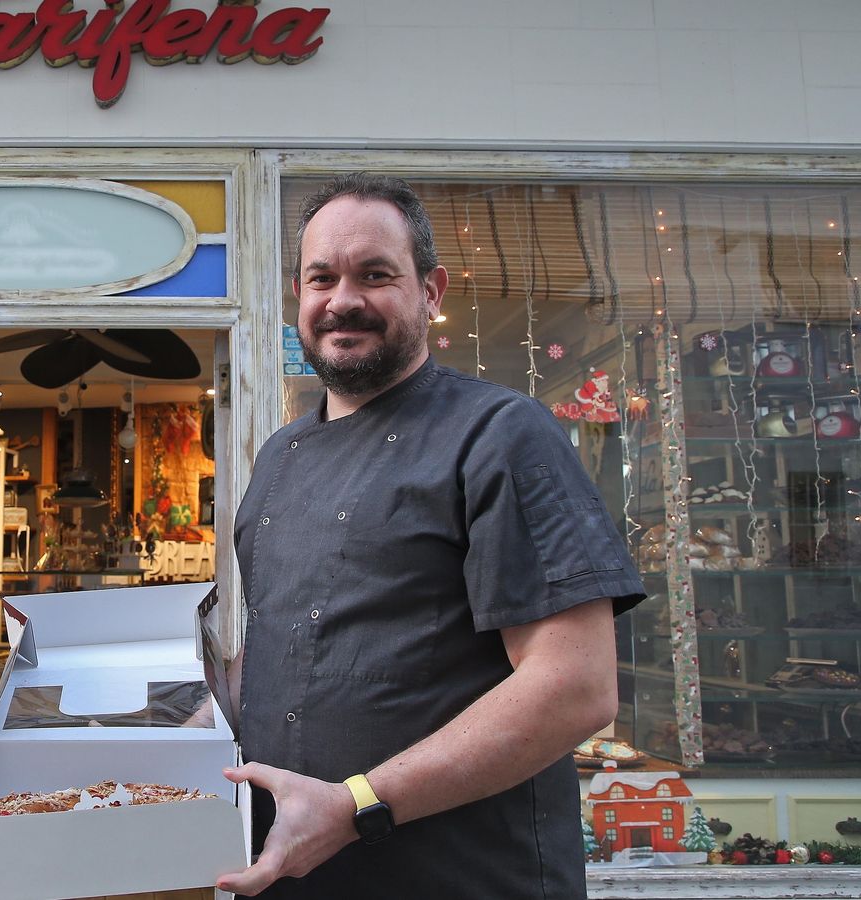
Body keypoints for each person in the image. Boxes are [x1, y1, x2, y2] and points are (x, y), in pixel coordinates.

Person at [218, 174, 644, 898]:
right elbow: (277, 658)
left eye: (375, 274)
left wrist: (357, 807)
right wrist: (153, 719)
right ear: (299, 293)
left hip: (461, 878)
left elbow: (575, 686)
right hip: (288, 877)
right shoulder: (280, 457)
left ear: (431, 291)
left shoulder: (499, 434)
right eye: (322, 277)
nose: (342, 299)